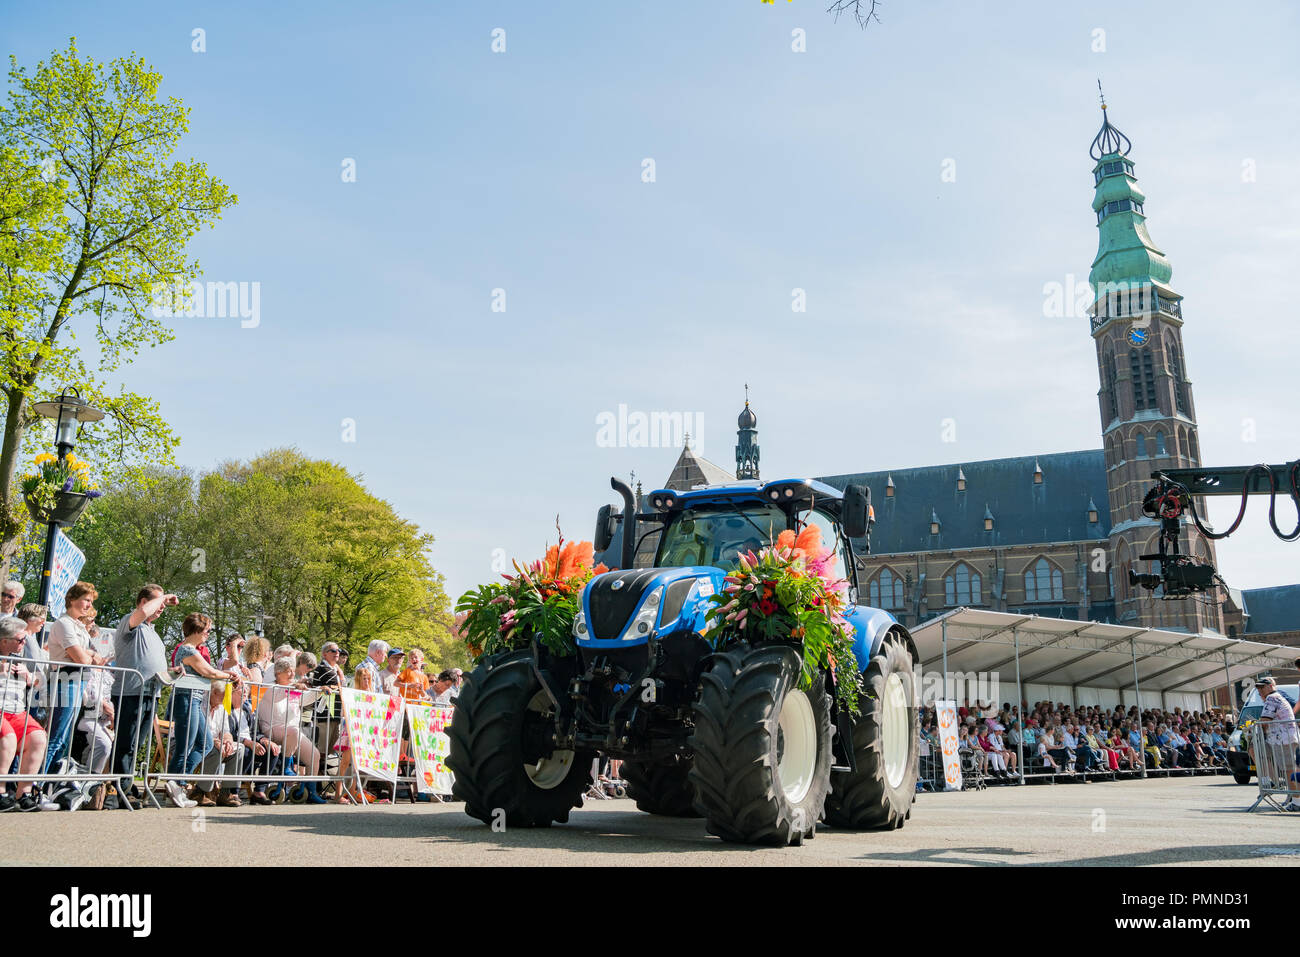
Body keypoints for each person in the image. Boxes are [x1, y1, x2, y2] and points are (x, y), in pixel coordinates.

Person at [109, 585, 176, 808]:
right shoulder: (131, 623)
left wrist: (173, 672)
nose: (162, 607)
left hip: (151, 693)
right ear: (142, 602)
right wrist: (164, 597)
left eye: (163, 603)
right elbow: (143, 614)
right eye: (158, 602)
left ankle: (128, 784)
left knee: (137, 743)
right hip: (130, 692)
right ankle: (123, 788)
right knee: (126, 741)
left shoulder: (153, 633)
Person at [165, 613, 240, 808]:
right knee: (185, 745)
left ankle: (177, 782)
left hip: (195, 700)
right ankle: (176, 783)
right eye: (207, 630)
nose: (208, 633)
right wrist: (228, 675)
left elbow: (211, 672)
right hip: (186, 699)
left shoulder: (193, 650)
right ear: (197, 630)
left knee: (205, 743)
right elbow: (209, 672)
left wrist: (225, 674)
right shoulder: (186, 650)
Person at [43, 582, 105, 773]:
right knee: (56, 735)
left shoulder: (78, 626)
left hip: (78, 681)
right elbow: (82, 658)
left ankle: (47, 785)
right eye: (86, 600)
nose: (88, 605)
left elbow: (95, 659)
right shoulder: (63, 623)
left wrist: (89, 656)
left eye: (90, 601)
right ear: (72, 599)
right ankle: (35, 783)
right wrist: (89, 655)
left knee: (64, 739)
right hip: (65, 680)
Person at [256, 658, 326, 804]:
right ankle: (286, 767)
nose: (291, 674)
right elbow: (278, 697)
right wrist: (294, 686)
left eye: (293, 671)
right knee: (293, 730)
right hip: (272, 729)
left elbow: (304, 700)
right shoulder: (270, 687)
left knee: (314, 755)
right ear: (278, 673)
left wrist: (320, 691)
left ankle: (310, 791)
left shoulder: (293, 688)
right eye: (288, 671)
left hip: (291, 732)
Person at [0, 617, 53, 810]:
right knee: (8, 737)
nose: (24, 643)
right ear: (4, 641)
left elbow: (38, 682)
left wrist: (29, 676)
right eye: (20, 640)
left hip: (17, 711)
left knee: (38, 737)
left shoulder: (21, 659)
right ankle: (1, 791)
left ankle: (24, 792)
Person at [1254, 676, 1300, 810]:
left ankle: (1297, 802)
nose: (1260, 690)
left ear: (1271, 686)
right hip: (1285, 738)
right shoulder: (1276, 697)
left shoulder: (1272, 698)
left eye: (1262, 687)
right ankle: (1292, 796)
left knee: (1289, 771)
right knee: (1289, 770)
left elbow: (1265, 719)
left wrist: (1258, 725)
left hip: (1284, 739)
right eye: (1258, 688)